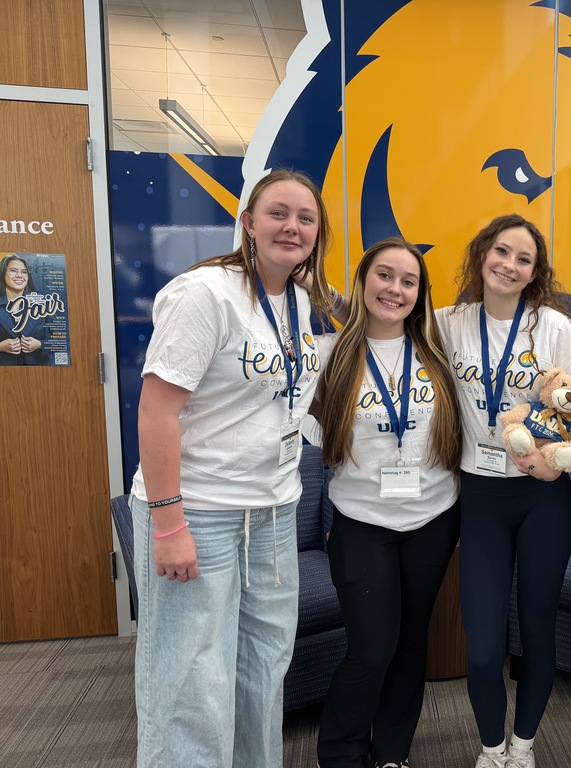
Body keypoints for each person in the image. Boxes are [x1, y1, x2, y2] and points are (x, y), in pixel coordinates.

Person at [129, 169, 337, 768]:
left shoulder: (297, 300)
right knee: (192, 678)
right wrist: (169, 525)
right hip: (200, 511)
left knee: (262, 666)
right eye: (278, 213)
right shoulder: (204, 294)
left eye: (305, 218)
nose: (291, 227)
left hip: (272, 510)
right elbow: (156, 410)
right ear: (248, 222)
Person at [434, 214, 571, 768]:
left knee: (537, 629)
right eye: (502, 251)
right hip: (480, 494)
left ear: (534, 273)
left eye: (524, 259)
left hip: (543, 493)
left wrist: (558, 466)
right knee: (482, 646)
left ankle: (522, 748)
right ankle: (490, 748)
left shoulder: (550, 326)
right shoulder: (447, 322)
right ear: (481, 255)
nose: (510, 265)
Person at [314, 237, 462, 768]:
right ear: (362, 283)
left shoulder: (438, 352)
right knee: (371, 648)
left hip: (433, 518)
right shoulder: (329, 356)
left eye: (408, 280)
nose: (395, 289)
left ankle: (392, 753)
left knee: (410, 643)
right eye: (384, 275)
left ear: (420, 294)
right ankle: (340, 754)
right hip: (362, 521)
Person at [0, 254, 47, 365]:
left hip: (41, 371)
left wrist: (40, 344)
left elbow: (63, 342)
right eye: (13, 271)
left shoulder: (43, 302)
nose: (20, 275)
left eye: (24, 272)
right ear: (3, 274)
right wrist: (0, 347)